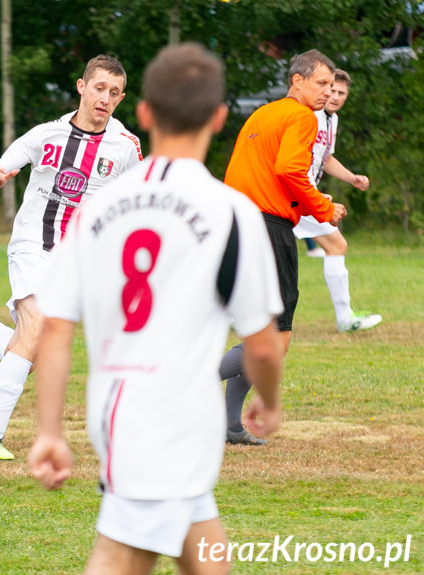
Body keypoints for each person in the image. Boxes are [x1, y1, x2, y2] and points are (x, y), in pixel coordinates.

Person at [28, 43, 284, 575]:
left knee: (204, 549)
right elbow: (261, 342)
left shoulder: (98, 207)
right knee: (119, 557)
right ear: (218, 118)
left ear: (142, 114)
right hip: (168, 418)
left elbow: (55, 328)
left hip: (123, 410)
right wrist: (269, 399)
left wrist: (50, 430)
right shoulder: (231, 210)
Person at [0, 55, 144, 460]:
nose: (105, 98)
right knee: (36, 330)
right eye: (99, 88)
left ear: (121, 99)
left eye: (114, 93)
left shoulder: (127, 147)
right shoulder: (45, 135)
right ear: (82, 87)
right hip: (32, 246)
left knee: (30, 350)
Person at [221, 49, 347, 446]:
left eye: (332, 85)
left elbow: (249, 170)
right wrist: (324, 207)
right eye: (322, 83)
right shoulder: (301, 116)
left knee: (261, 329)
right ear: (298, 81)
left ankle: (229, 426)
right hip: (266, 226)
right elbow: (290, 170)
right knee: (278, 336)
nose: (329, 91)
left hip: (237, 222)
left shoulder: (263, 113)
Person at [293, 69, 382, 333]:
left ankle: (345, 318)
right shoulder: (310, 115)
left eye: (341, 92)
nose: (335, 96)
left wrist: (351, 178)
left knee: (335, 245)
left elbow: (325, 157)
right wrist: (313, 193)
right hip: (295, 194)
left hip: (303, 194)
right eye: (331, 89)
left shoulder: (332, 120)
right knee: (335, 245)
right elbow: (296, 159)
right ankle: (344, 318)